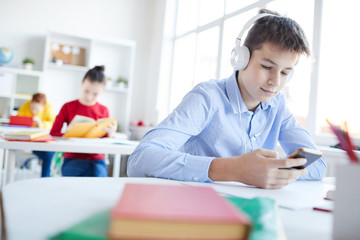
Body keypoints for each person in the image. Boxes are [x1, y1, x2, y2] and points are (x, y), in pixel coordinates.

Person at [127, 9, 327, 189]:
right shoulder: (207, 98)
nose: (275, 81)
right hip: (194, 208)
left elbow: (317, 166)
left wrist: (271, 172)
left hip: (247, 211)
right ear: (241, 58)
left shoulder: (277, 106)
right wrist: (233, 169)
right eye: (267, 67)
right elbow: (140, 160)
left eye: (285, 73)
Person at [50, 65, 117, 177]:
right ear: (82, 84)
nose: (89, 97)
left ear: (102, 91)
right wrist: (70, 136)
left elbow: (106, 140)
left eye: (95, 94)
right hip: (73, 158)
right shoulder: (68, 107)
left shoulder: (104, 110)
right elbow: (54, 133)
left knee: (97, 190)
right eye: (86, 91)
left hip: (97, 160)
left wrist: (111, 134)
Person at [18, 93, 56, 177]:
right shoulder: (26, 105)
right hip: (31, 141)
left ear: (43, 106)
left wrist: (41, 124)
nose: (34, 112)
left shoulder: (49, 108)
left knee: (51, 152)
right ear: (30, 103)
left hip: (45, 140)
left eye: (37, 110)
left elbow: (54, 124)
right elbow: (18, 121)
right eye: (32, 108)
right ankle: (45, 178)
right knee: (48, 155)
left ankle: (45, 176)